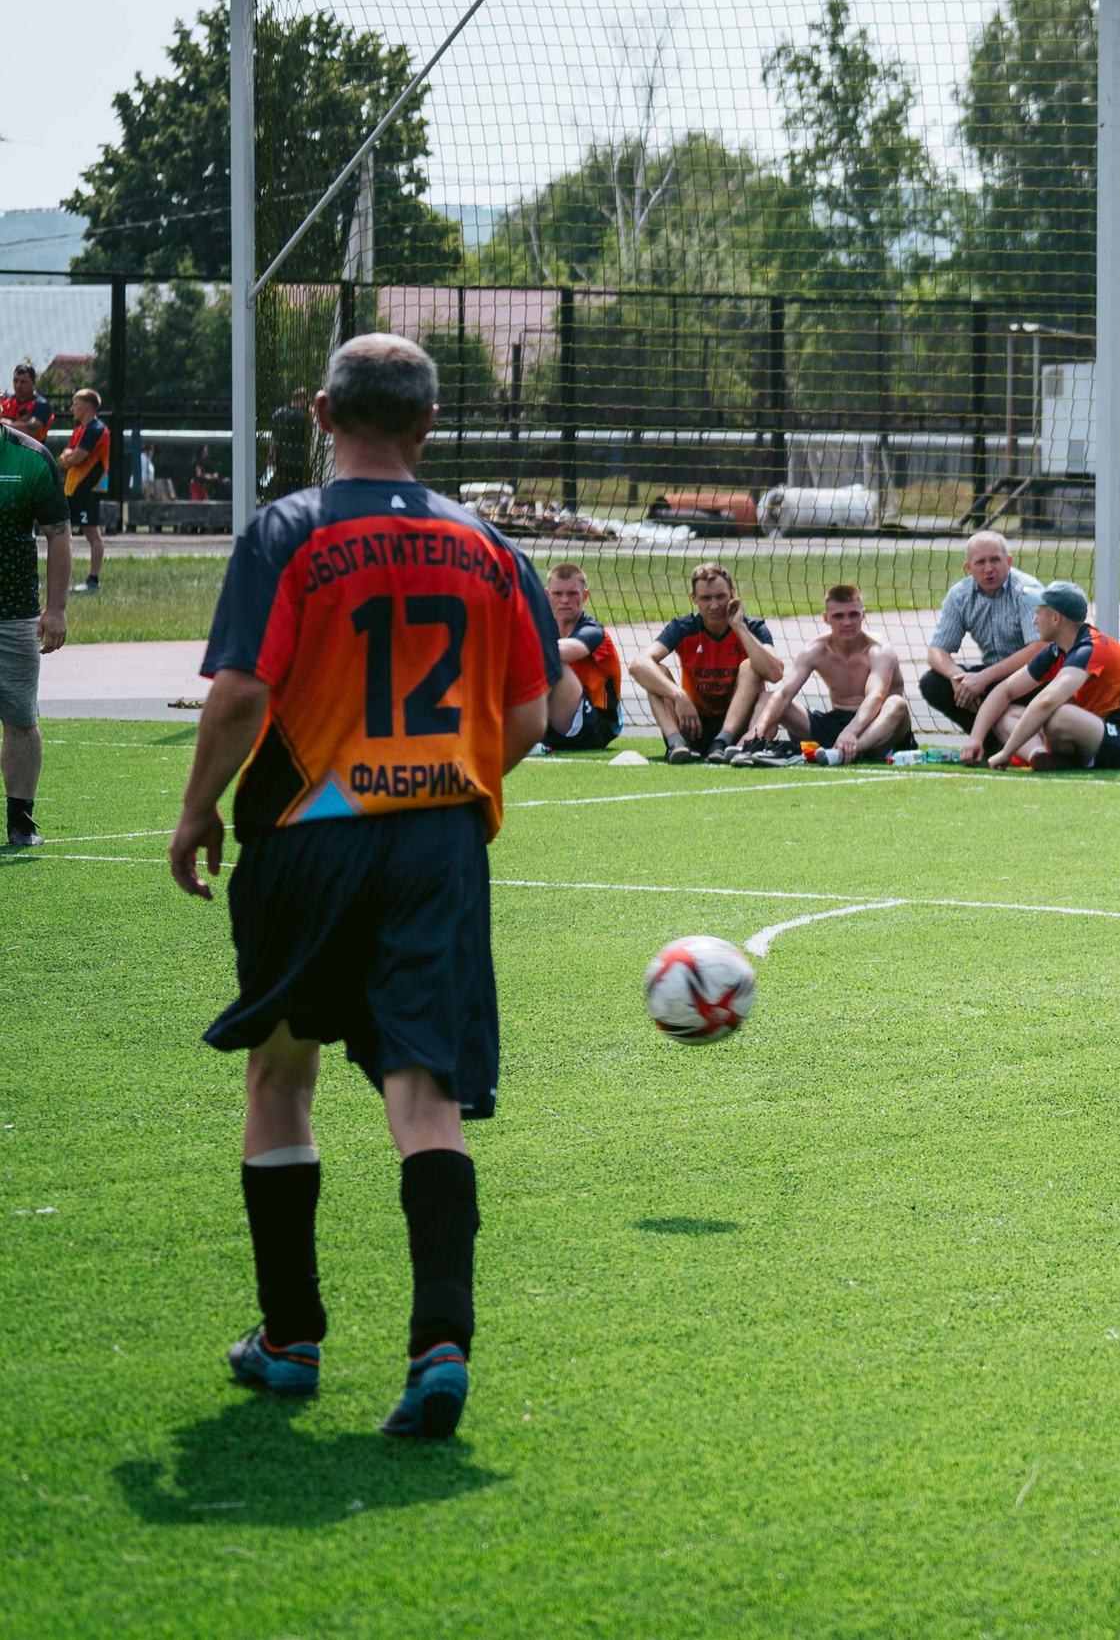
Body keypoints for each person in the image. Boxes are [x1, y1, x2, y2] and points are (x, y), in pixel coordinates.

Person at [168, 332, 560, 1439]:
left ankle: (290, 1339)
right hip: (437, 844)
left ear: (322, 414)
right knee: (422, 1092)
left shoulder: (286, 531)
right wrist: (448, 785)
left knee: (281, 1075)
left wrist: (198, 810)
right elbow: (537, 713)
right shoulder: (490, 547)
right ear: (429, 427)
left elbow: (243, 694)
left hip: (308, 834)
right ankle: (439, 1342)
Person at [960, 580, 1120, 772]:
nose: (1033, 620)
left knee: (1059, 715)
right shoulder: (1057, 650)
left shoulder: (1091, 648)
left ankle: (1063, 758)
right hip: (1092, 731)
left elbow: (1047, 701)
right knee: (1005, 714)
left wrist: (1006, 752)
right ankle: (1039, 756)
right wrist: (975, 739)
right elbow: (1005, 691)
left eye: (1038, 613)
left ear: (1055, 618)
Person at [737, 583, 913, 767]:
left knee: (896, 704)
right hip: (835, 725)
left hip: (880, 729)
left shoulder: (879, 651)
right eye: (838, 616)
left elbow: (876, 696)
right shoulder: (816, 649)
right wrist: (758, 729)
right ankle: (751, 746)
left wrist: (851, 732)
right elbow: (785, 694)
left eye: (853, 614)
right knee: (768, 698)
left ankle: (845, 752)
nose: (847, 622)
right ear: (826, 618)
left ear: (863, 615)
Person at [629, 561, 783, 764]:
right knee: (655, 674)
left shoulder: (752, 627)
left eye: (721, 596)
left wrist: (739, 628)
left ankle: (722, 742)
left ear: (733, 593)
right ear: (694, 598)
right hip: (692, 724)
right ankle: (676, 745)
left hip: (736, 728)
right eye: (706, 598)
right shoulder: (683, 627)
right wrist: (678, 695)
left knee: (750, 667)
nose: (714, 605)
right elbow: (637, 665)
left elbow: (775, 673)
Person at [1, 418, 70, 847]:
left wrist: (56, 608)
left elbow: (58, 535)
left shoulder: (31, 457)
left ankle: (21, 823)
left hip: (14, 614)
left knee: (21, 718)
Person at [921, 531, 1045, 733]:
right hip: (993, 677)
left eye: (995, 560)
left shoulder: (1027, 591)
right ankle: (990, 741)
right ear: (968, 568)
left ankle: (1011, 730)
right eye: (981, 562)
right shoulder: (960, 595)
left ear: (1009, 561)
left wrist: (984, 677)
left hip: (1031, 677)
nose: (989, 569)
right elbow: (936, 651)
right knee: (932, 683)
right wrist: (958, 678)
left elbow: (1040, 648)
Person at [533, 561, 623, 754]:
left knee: (550, 659)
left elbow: (559, 651)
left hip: (596, 724)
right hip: (563, 716)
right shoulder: (544, 628)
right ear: (547, 595)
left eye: (572, 594)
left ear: (585, 595)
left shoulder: (593, 631)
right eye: (558, 594)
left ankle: (527, 735)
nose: (565, 600)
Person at [58, 389, 111, 592]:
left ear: (87, 406)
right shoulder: (80, 429)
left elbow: (75, 457)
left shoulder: (96, 429)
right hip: (73, 488)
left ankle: (93, 581)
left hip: (88, 488)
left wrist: (68, 457)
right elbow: (66, 455)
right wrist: (68, 457)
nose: (72, 408)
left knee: (91, 532)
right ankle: (62, 580)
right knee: (63, 532)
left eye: (75, 404)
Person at [267, 387, 313, 499]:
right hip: (297, 466)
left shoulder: (277, 414)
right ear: (302, 400)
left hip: (280, 464)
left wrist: (270, 457)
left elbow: (273, 438)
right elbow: (309, 437)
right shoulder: (302, 418)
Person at [2, 362, 51, 441]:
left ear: (33, 383)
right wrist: (18, 424)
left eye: (23, 382)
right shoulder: (5, 401)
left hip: (30, 451)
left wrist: (4, 422)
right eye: (15, 381)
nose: (18, 386)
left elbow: (31, 430)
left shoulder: (41, 404)